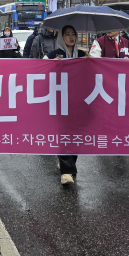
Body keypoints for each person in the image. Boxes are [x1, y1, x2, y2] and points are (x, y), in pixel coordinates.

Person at [43, 25, 88, 185]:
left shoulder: (83, 55)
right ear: (61, 37)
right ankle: (67, 172)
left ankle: (68, 163)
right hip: (60, 101)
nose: (71, 37)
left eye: (73, 34)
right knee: (64, 133)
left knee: (76, 134)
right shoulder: (53, 55)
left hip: (79, 101)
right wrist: (51, 66)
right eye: (67, 34)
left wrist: (90, 63)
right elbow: (40, 72)